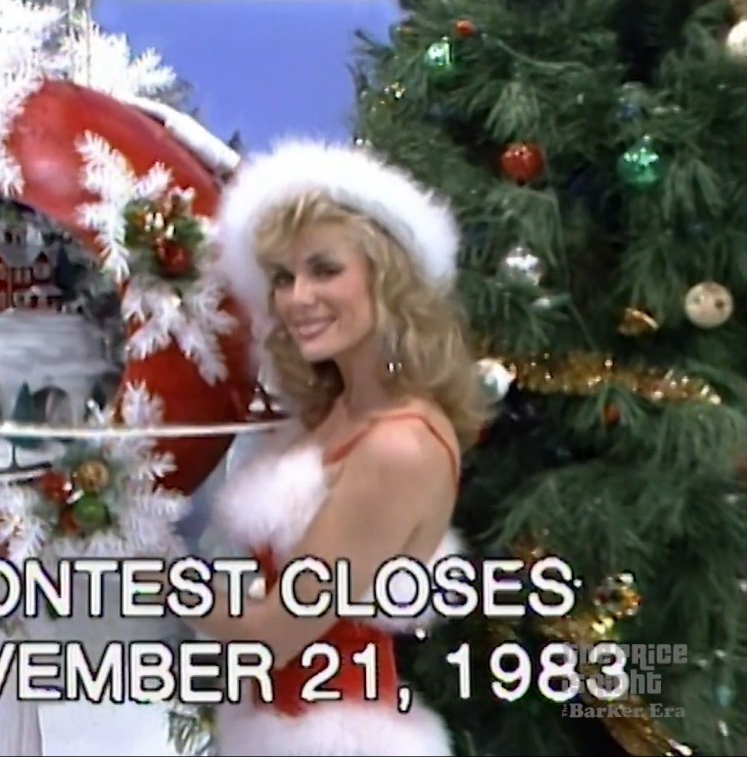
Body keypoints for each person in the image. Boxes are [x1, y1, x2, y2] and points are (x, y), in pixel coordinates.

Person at [170, 138, 494, 756]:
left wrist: (154, 574)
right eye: (285, 278)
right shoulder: (337, 409)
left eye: (325, 269)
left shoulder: (400, 447)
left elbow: (271, 635)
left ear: (388, 277)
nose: (297, 298)